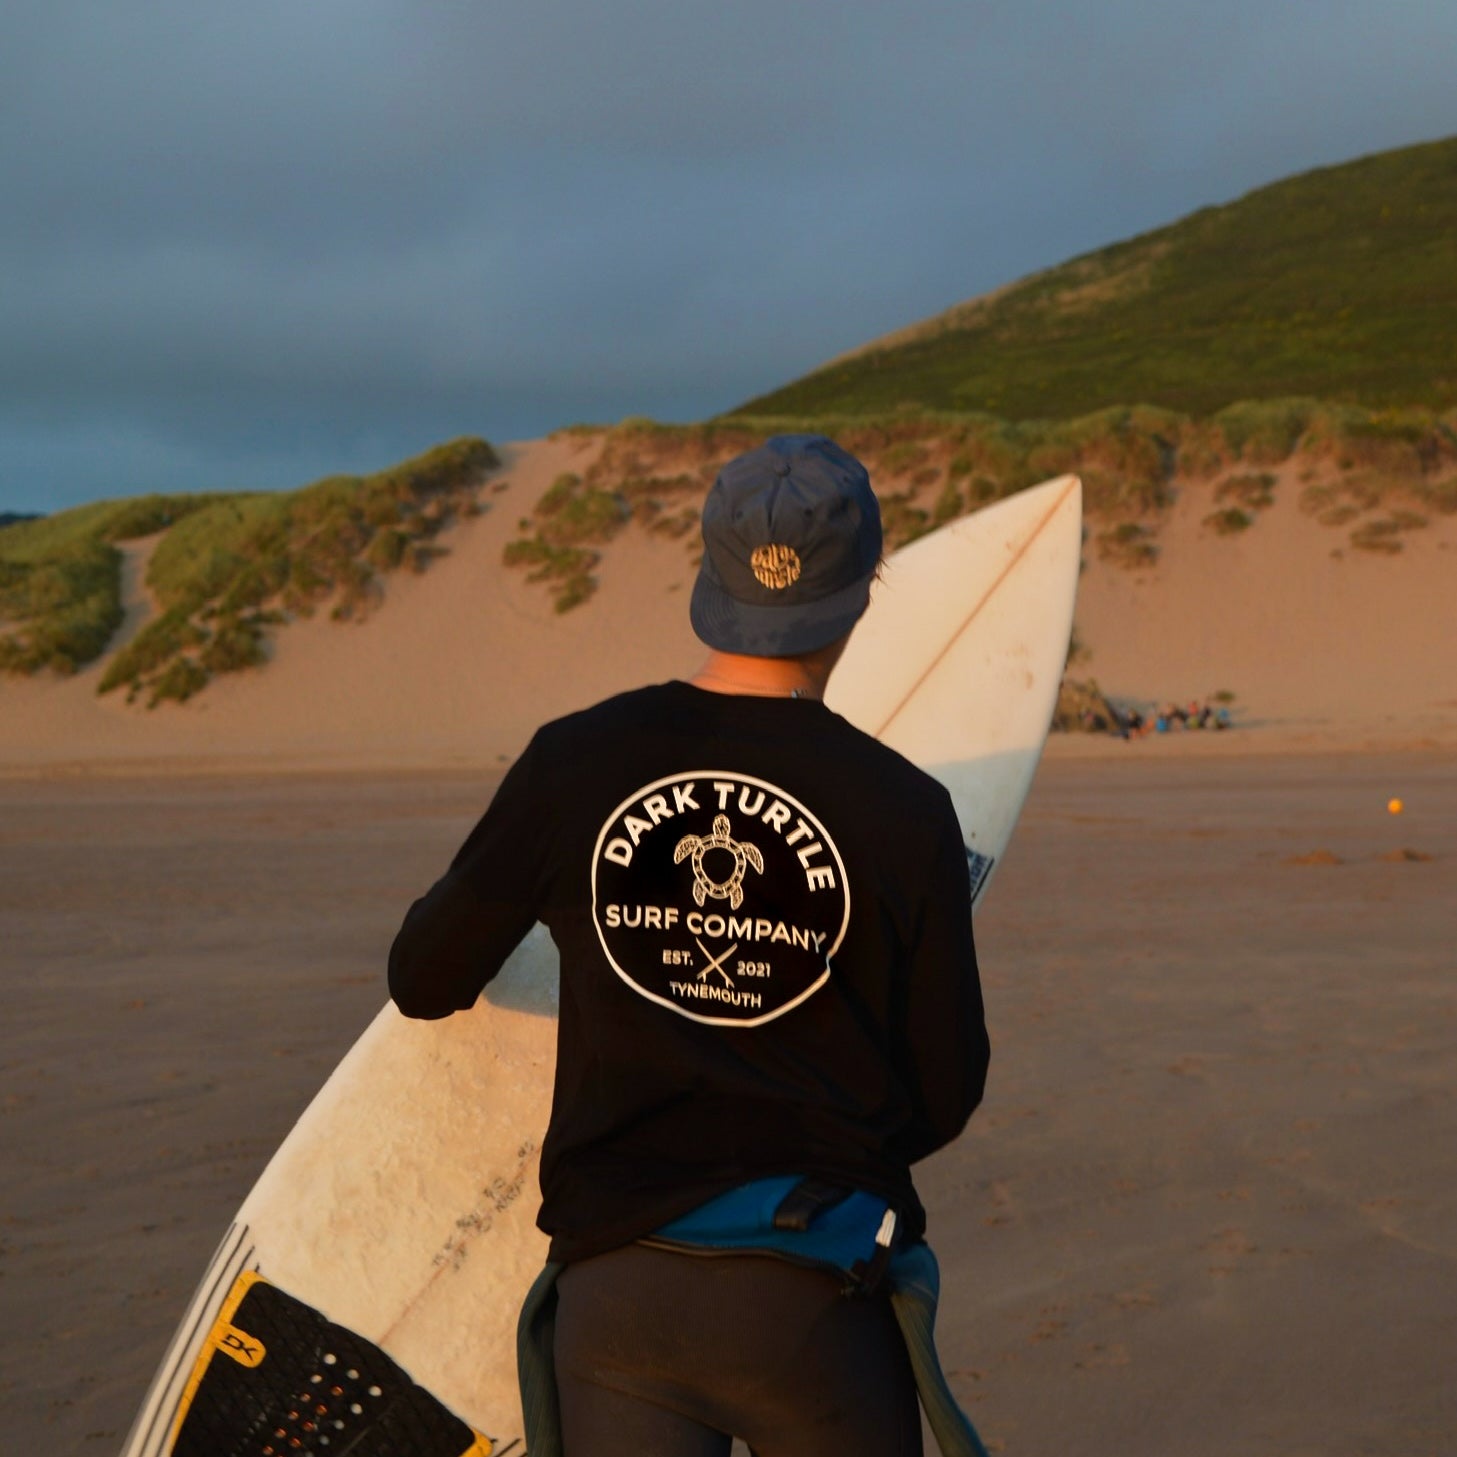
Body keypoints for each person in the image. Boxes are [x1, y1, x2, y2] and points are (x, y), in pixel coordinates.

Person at [388, 435, 990, 1457]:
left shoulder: (575, 760)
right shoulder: (904, 809)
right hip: (807, 1294)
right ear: (863, 590)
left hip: (615, 1291)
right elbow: (946, 1083)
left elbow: (424, 976)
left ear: (708, 573)